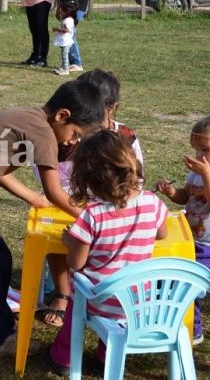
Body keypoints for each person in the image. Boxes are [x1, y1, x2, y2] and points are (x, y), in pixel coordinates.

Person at [0, 79, 105, 356]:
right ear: (62, 116)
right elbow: (54, 191)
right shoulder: (44, 133)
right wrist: (92, 218)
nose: (73, 141)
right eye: (75, 133)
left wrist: (32, 198)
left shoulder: (28, 116)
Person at [47, 130, 168, 375]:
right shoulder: (152, 202)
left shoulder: (93, 215)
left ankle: (63, 358)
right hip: (137, 300)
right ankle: (106, 354)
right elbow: (162, 234)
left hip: (98, 300)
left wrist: (71, 241)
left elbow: (76, 262)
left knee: (79, 293)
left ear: (90, 178)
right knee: (112, 298)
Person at [39, 68, 145, 328]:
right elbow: (54, 181)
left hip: (113, 208)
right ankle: (63, 293)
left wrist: (107, 206)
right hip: (72, 204)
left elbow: (137, 178)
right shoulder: (66, 137)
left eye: (102, 110)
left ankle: (102, 292)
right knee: (53, 230)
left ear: (112, 108)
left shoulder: (126, 136)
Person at [155, 114, 210, 345]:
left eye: (204, 150)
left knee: (185, 278)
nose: (198, 156)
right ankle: (165, 318)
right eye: (195, 150)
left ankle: (193, 329)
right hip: (188, 242)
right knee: (160, 267)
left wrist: (206, 175)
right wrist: (173, 193)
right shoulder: (199, 171)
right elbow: (187, 196)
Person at [51, 0, 79, 76]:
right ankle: (63, 67)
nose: (60, 13)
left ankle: (66, 70)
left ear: (67, 12)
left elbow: (66, 30)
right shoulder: (69, 19)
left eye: (62, 11)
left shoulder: (67, 20)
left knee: (64, 55)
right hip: (65, 41)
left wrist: (57, 29)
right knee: (64, 55)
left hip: (66, 41)